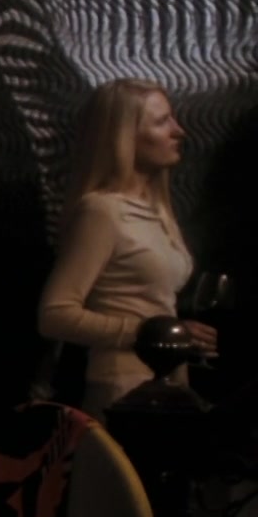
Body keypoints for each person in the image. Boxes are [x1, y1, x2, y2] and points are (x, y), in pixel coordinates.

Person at [39, 77, 210, 418]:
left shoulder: (156, 209)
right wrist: (152, 333)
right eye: (162, 122)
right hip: (121, 391)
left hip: (166, 387)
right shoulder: (102, 211)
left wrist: (180, 335)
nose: (178, 131)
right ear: (125, 136)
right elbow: (54, 316)